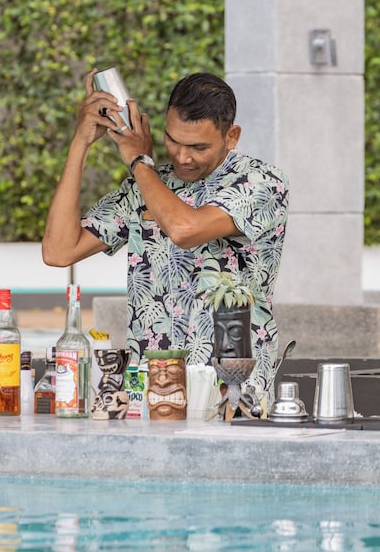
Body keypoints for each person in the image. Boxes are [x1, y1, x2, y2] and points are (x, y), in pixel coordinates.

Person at [42, 70, 288, 392]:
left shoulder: (262, 182)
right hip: (151, 387)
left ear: (231, 137)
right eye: (172, 140)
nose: (182, 157)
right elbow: (59, 251)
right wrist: (81, 142)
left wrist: (137, 160)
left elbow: (184, 230)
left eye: (198, 147)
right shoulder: (147, 184)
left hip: (232, 388)